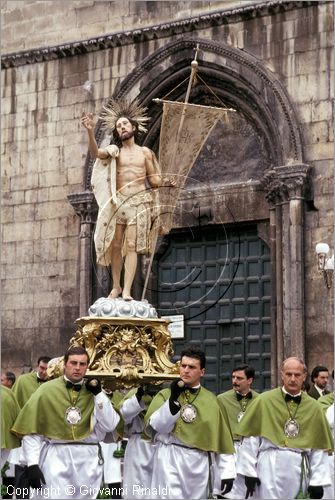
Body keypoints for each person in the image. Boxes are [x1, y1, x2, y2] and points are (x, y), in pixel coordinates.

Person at [11, 345, 120, 499]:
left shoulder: (94, 392)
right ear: (65, 365)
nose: (77, 368)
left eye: (82, 364)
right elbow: (32, 432)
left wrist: (99, 395)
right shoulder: (46, 390)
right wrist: (33, 464)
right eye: (73, 363)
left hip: (88, 460)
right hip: (57, 456)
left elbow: (110, 425)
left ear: (87, 367)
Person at [81, 98, 163, 301]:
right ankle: (116, 286)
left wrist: (163, 179)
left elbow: (153, 180)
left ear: (134, 127)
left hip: (138, 202)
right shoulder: (114, 152)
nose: (122, 127)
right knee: (116, 244)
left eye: (125, 124)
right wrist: (90, 131)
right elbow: (95, 153)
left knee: (133, 245)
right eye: (118, 126)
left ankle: (127, 290)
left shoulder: (145, 153)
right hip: (119, 203)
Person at [144, 346, 235, 499]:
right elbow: (158, 427)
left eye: (192, 367)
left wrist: (227, 472)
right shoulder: (165, 394)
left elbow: (222, 439)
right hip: (169, 457)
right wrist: (172, 401)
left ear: (202, 372)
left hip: (198, 462)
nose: (186, 370)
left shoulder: (212, 401)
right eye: (183, 365)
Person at [236, 357, 333, 499]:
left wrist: (317, 481)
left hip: (299, 468)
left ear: (304, 376)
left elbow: (318, 448)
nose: (292, 379)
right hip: (269, 467)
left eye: (297, 375)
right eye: (288, 374)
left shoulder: (314, 407)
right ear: (282, 375)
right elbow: (251, 439)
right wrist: (249, 472)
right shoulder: (264, 400)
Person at [10, 356, 51, 499]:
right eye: (42, 368)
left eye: (47, 369)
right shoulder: (23, 381)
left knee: (42, 476)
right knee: (23, 468)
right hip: (25, 431)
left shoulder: (54, 384)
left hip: (46, 435)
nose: (44, 372)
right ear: (37, 366)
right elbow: (13, 403)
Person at [217, 364, 259, 498]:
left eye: (239, 378)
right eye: (233, 377)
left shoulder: (260, 400)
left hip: (253, 451)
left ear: (250, 380)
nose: (235, 381)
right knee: (227, 493)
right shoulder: (221, 399)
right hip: (230, 450)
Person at [119, 385, 158, 499]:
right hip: (138, 443)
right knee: (135, 486)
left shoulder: (170, 392)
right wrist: (137, 397)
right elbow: (122, 416)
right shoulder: (134, 392)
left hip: (161, 443)